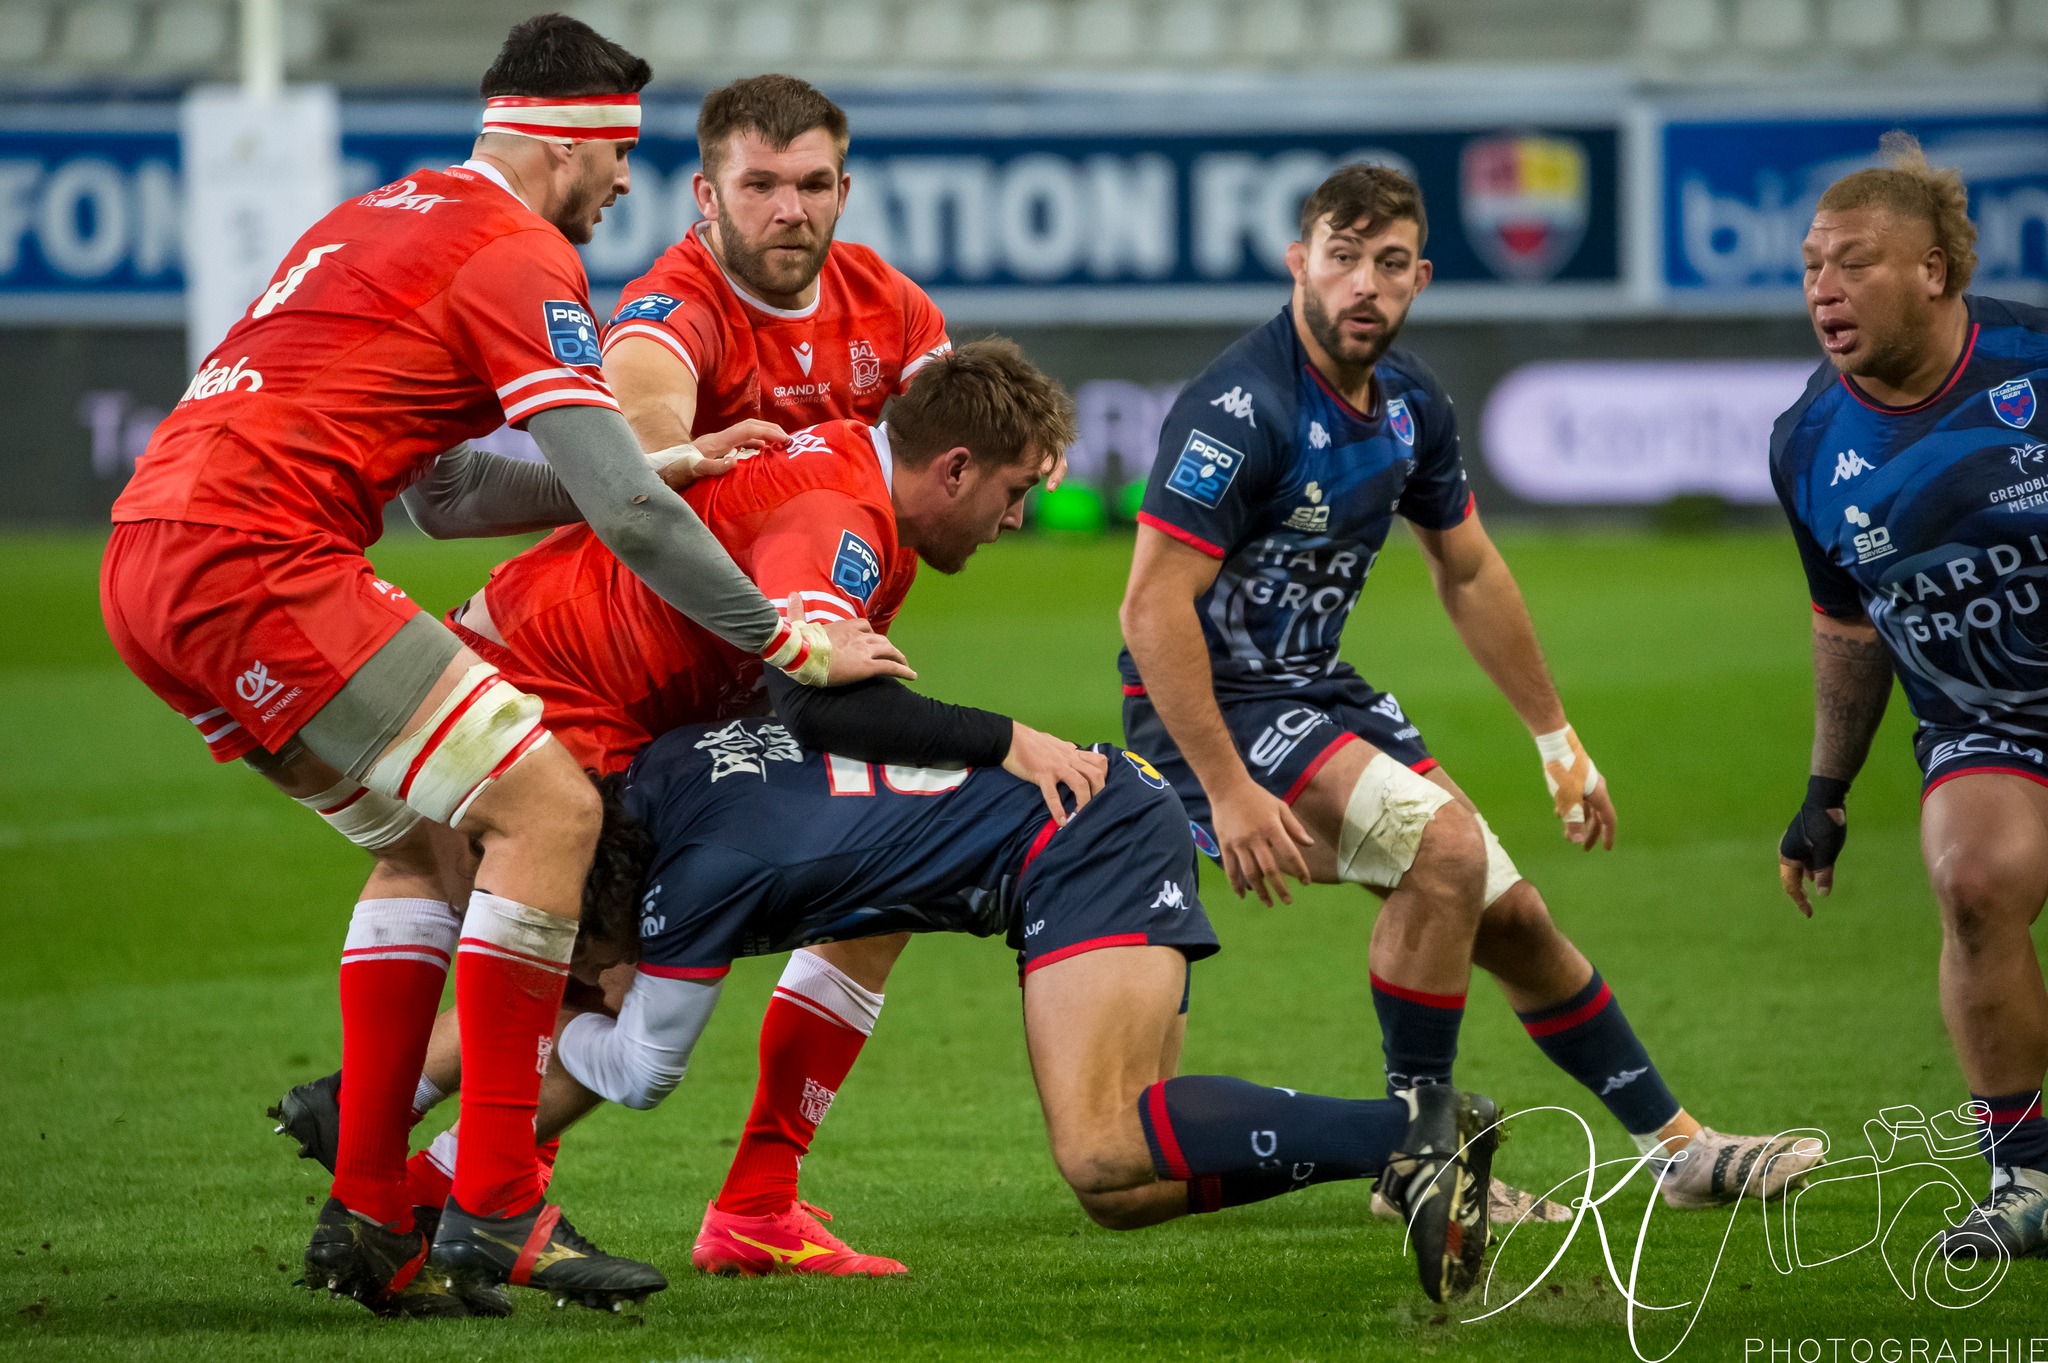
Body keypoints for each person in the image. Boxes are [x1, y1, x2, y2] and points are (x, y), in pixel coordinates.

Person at [101, 16, 905, 1320]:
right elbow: (637, 525)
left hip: (150, 559)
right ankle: (498, 1198)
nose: (626, 185)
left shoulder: (373, 217)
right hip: (261, 564)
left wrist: (648, 472)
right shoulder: (515, 250)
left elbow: (452, 490)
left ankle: (372, 1210)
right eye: (623, 154)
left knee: (429, 843)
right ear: (572, 140)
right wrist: (779, 631)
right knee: (551, 806)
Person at [273, 339, 1110, 1281]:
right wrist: (1008, 741)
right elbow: (814, 693)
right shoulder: (842, 515)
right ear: (953, 468)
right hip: (562, 701)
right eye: (1014, 492)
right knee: (607, 974)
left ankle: (390, 1150)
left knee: (602, 960)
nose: (1015, 519)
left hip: (557, 675)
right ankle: (414, 1167)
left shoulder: (849, 468)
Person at [1116, 163, 1822, 1218]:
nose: (1364, 284)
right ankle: (1418, 1163)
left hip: (1316, 691)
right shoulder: (1240, 406)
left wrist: (1554, 737)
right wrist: (1221, 784)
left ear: (1420, 276)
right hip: (1217, 712)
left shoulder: (1410, 403)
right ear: (1297, 262)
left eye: (1389, 263)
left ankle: (1673, 1149)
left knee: (1514, 917)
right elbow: (1149, 609)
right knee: (1441, 852)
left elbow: (1470, 568)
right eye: (1341, 257)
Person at [314, 720, 1508, 1307]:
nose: (570, 973)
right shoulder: (665, 770)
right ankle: (744, 1204)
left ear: (606, 920)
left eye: (571, 955)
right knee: (1123, 1193)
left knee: (1101, 1141)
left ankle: (1410, 1135)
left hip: (1073, 835)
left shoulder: (691, 897)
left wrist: (538, 1032)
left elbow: (636, 1073)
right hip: (1084, 809)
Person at [599, 73, 960, 1274]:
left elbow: (937, 472)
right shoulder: (673, 304)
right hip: (642, 677)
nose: (788, 210)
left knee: (892, 873)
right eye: (759, 185)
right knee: (587, 964)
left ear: (843, 189)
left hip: (788, 670)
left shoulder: (893, 310)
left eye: (812, 185)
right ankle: (457, 1182)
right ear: (706, 193)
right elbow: (638, 447)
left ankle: (757, 1198)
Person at [1772, 133, 2048, 1260]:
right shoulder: (1806, 443)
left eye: (1851, 263)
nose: (1821, 291)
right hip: (1981, 725)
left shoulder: (2031, 363)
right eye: (1806, 267)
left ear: (1932, 270)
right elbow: (1844, 625)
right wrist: (1823, 788)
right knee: (1971, 880)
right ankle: (2025, 1175)